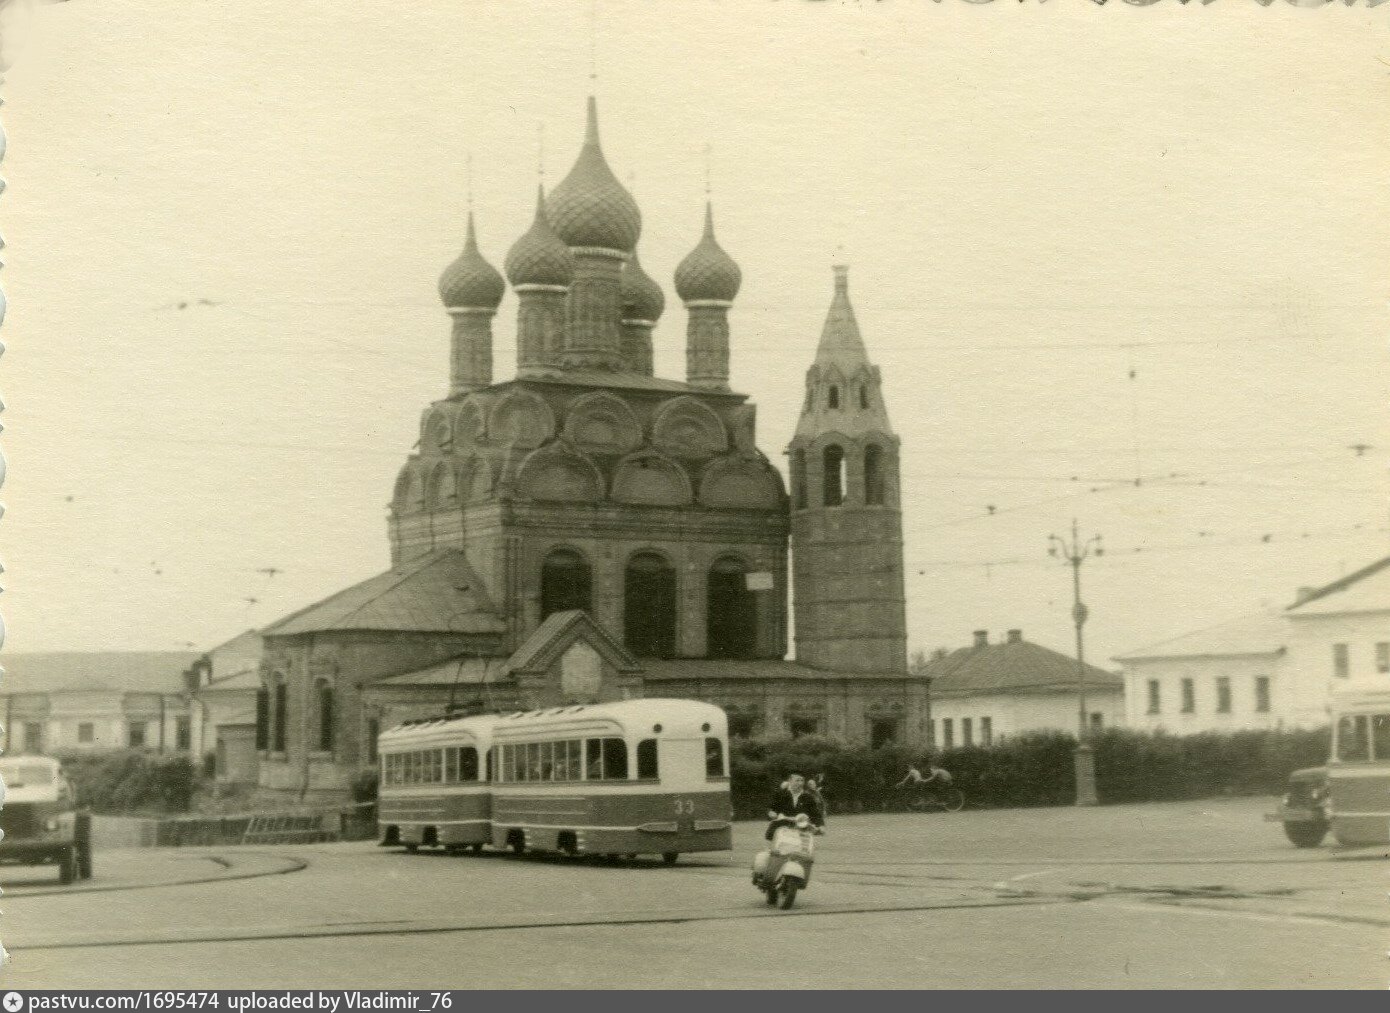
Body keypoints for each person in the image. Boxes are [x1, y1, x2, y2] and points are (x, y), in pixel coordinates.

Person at [765, 771, 825, 840]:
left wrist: (821, 826)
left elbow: (815, 814)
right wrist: (771, 813)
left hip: (801, 829)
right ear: (790, 781)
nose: (800, 783)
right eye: (797, 780)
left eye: (802, 780)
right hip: (780, 829)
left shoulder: (808, 797)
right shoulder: (780, 794)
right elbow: (771, 808)